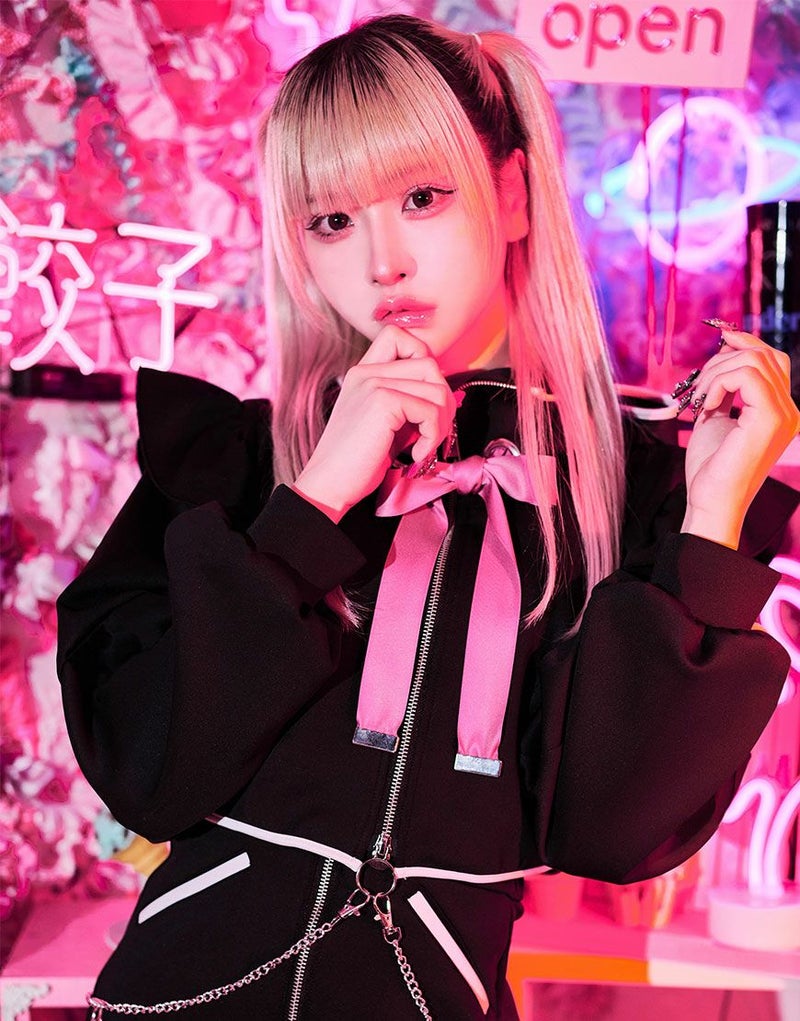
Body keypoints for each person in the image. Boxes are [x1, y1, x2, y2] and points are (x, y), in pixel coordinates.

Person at [57, 14, 800, 1021]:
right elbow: (154, 775)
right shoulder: (229, 464)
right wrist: (312, 503)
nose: (383, 263)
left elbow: (613, 832)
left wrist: (710, 518)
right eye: (332, 220)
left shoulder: (624, 497)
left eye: (421, 197)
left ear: (511, 194)